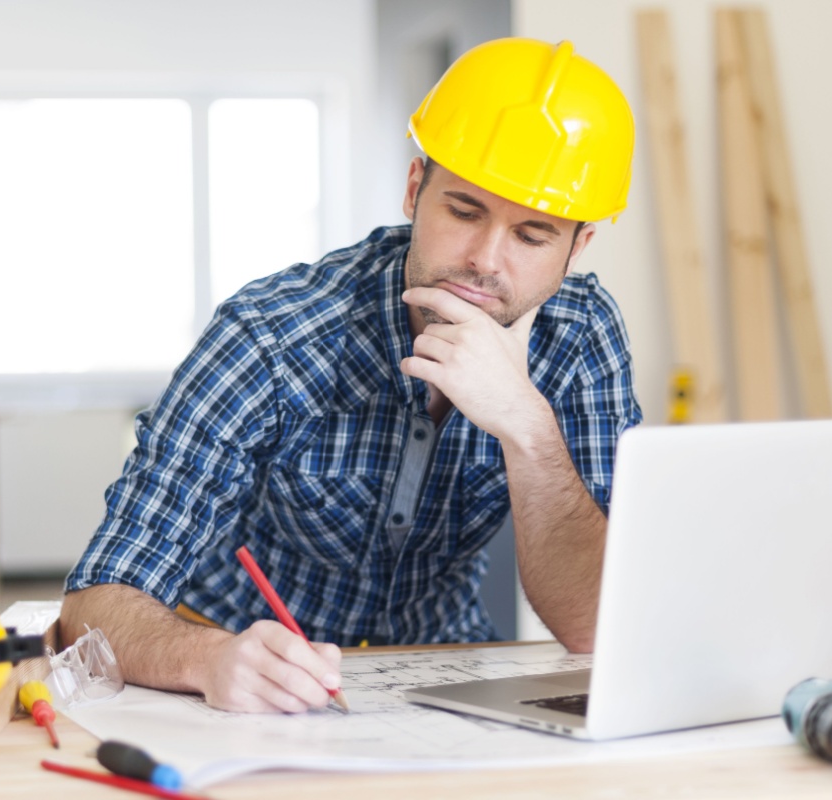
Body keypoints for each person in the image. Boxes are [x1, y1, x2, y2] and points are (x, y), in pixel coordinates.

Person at [61, 37, 641, 714]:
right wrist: (208, 657)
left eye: (532, 235)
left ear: (578, 249)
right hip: (235, 665)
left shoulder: (581, 337)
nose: (485, 260)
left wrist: (526, 426)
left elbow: (599, 629)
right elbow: (92, 605)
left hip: (440, 674)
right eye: (463, 211)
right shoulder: (271, 335)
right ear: (413, 188)